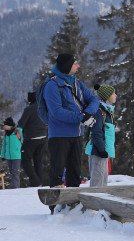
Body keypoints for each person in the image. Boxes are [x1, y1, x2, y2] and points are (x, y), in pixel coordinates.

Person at [43, 53, 100, 187]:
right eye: (75, 63)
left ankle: (72, 204)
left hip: (77, 134)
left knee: (74, 173)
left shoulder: (77, 83)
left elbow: (94, 99)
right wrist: (82, 118)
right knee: (57, 173)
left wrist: (87, 114)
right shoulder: (52, 86)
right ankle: (55, 207)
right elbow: (57, 112)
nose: (78, 66)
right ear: (67, 66)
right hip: (59, 136)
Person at [85, 84, 117, 188]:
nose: (115, 95)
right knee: (97, 184)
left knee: (103, 183)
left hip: (103, 152)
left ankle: (100, 203)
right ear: (107, 96)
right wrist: (101, 150)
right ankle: (93, 204)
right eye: (113, 93)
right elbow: (96, 132)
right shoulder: (99, 111)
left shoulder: (108, 111)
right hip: (98, 151)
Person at [18, 91, 47, 186]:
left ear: (30, 99)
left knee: (25, 160)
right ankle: (39, 182)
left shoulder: (29, 109)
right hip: (43, 137)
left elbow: (21, 124)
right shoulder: (43, 108)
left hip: (31, 138)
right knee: (38, 160)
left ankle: (35, 181)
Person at [1, 117, 23, 189]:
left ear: (9, 125)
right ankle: (14, 187)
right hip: (8, 156)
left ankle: (15, 188)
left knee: (15, 172)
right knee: (11, 172)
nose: (4, 126)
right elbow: (4, 145)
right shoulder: (6, 134)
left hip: (16, 156)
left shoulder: (18, 131)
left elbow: (24, 140)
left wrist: (23, 150)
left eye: (5, 125)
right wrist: (2, 155)